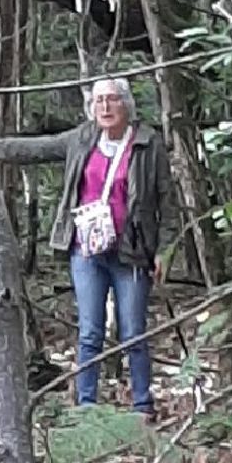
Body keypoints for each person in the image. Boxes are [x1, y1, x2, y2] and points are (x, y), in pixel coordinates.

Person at [49, 75, 173, 416]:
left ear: (126, 105)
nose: (105, 106)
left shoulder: (148, 144)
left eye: (112, 99)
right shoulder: (83, 139)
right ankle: (87, 407)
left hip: (131, 251)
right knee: (90, 332)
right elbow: (36, 149)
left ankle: (142, 405)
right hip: (86, 250)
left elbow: (168, 201)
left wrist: (164, 249)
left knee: (133, 332)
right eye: (98, 100)